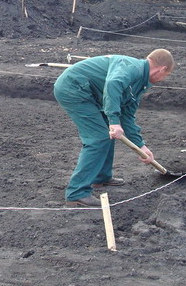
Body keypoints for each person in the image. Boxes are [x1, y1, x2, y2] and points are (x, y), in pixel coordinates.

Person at [54, 49, 175, 207]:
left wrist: (141, 145)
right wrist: (113, 121)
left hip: (90, 93)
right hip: (73, 89)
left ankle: (101, 177)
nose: (163, 79)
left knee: (107, 134)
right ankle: (76, 193)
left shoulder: (140, 82)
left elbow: (127, 116)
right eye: (165, 76)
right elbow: (113, 83)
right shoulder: (132, 68)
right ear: (162, 69)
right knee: (98, 137)